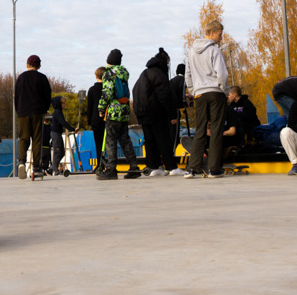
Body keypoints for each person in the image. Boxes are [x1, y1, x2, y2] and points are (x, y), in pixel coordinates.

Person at [184, 21, 229, 178]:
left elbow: (187, 75)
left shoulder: (191, 52)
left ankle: (192, 168)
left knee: (200, 130)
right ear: (212, 33)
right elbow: (222, 75)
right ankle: (214, 169)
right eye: (219, 34)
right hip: (216, 92)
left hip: (200, 95)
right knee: (216, 130)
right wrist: (225, 91)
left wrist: (193, 90)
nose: (220, 38)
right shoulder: (215, 51)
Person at [133, 48, 179, 176]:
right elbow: (164, 95)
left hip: (142, 111)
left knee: (150, 140)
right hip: (155, 111)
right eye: (168, 62)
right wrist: (171, 114)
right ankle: (172, 167)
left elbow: (136, 90)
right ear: (164, 61)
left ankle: (153, 167)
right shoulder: (159, 74)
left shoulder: (145, 73)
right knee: (163, 138)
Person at [97, 49, 141, 180]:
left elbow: (107, 93)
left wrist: (101, 108)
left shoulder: (108, 73)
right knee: (125, 139)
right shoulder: (124, 73)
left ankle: (111, 169)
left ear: (108, 61)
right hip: (125, 109)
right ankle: (134, 167)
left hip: (113, 110)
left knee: (110, 140)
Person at [14, 54, 51, 179]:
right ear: (39, 66)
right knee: (37, 139)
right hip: (37, 111)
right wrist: (45, 109)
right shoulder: (42, 78)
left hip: (23, 112)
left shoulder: (21, 77)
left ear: (27, 64)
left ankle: (21, 162)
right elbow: (47, 95)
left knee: (23, 138)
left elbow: (16, 95)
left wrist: (18, 110)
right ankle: (36, 167)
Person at [48, 96, 76, 174]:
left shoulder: (57, 112)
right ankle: (55, 169)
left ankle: (52, 167)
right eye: (63, 103)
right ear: (59, 104)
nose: (64, 105)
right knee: (58, 151)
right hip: (56, 134)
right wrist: (72, 129)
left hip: (57, 133)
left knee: (62, 152)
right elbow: (63, 122)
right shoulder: (58, 112)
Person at [86, 67, 106, 171]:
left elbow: (89, 107)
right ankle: (110, 163)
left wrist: (89, 121)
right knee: (109, 143)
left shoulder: (92, 90)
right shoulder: (108, 89)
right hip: (108, 118)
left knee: (98, 143)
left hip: (96, 120)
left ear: (96, 76)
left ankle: (99, 164)